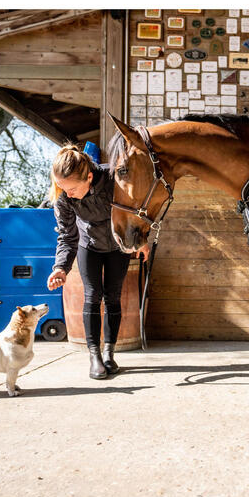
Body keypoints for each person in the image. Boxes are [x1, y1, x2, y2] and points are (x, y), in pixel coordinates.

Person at [46, 145, 148, 379]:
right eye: (62, 187)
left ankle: (110, 353)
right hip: (88, 246)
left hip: (118, 247)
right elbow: (67, 236)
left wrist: (141, 240)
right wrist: (60, 267)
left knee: (113, 297)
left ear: (89, 177)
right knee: (92, 296)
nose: (67, 193)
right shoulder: (64, 200)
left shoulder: (114, 181)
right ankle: (95, 357)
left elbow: (136, 212)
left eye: (71, 188)